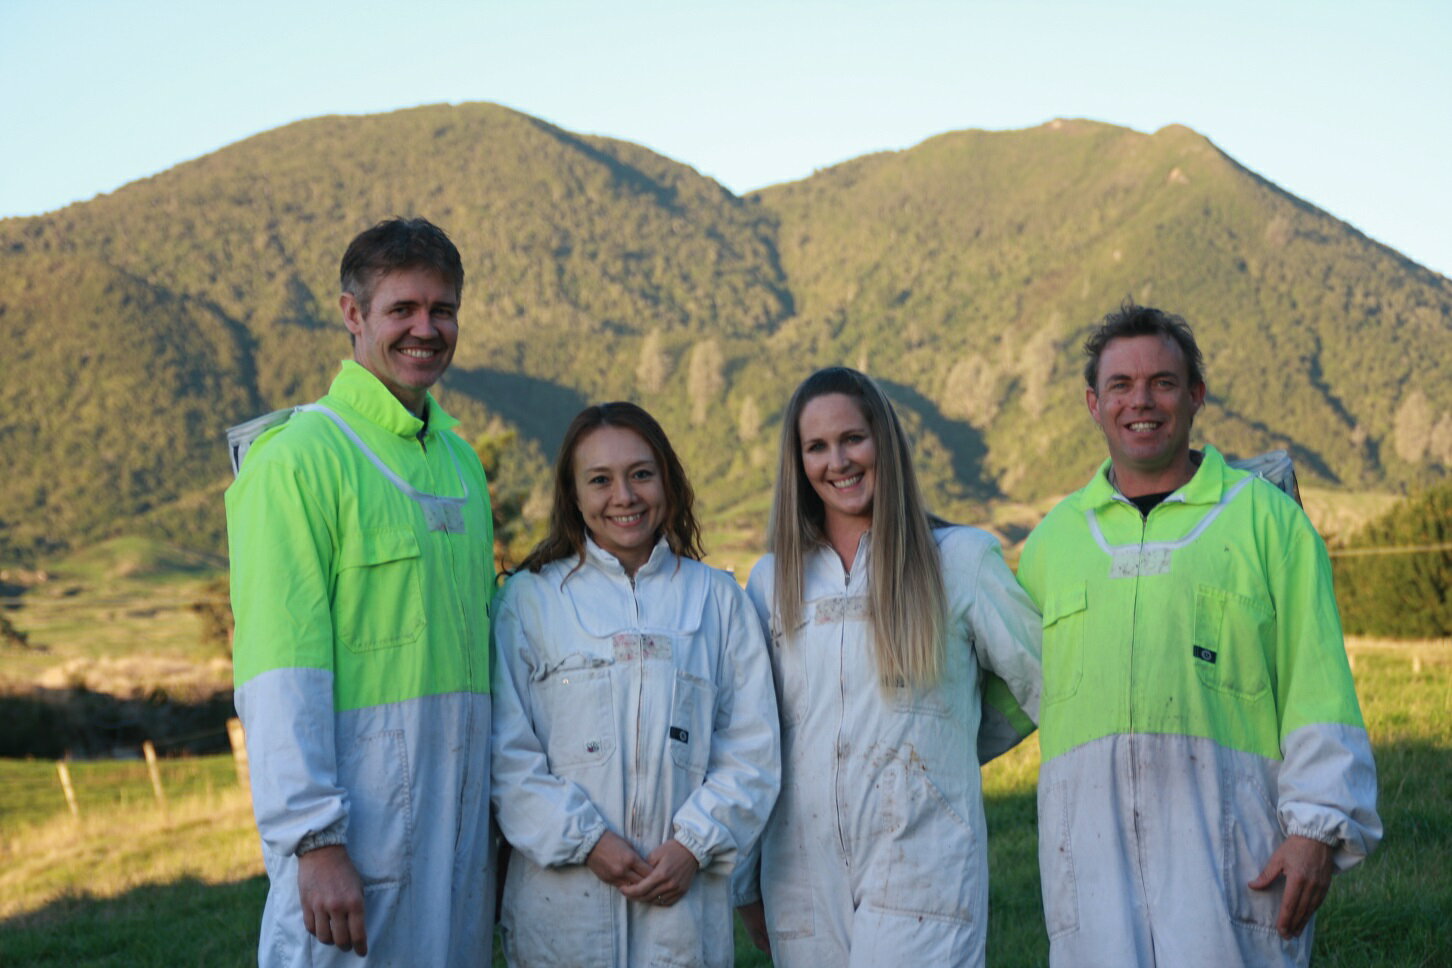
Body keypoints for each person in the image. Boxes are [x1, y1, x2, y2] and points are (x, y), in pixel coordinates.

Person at [1017, 303, 1382, 967]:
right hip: (1090, 875)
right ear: (1093, 405)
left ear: (1196, 396)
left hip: (1231, 868)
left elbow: (1318, 686)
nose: (1142, 401)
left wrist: (1317, 829)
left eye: (1162, 381)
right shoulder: (1051, 544)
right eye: (1121, 386)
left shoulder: (1268, 523)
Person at [227, 218, 496, 965]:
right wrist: (313, 842)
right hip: (354, 849)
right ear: (352, 314)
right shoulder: (299, 461)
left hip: (461, 843)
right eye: (402, 309)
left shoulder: (461, 462)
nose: (425, 329)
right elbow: (278, 672)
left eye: (442, 310)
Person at [738, 366, 1043, 967]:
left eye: (853, 438)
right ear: (797, 462)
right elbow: (754, 738)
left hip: (925, 864)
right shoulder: (771, 584)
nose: (838, 461)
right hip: (799, 873)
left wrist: (953, 740)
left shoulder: (960, 560)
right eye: (817, 447)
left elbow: (1047, 684)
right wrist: (745, 884)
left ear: (885, 440)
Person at [490, 402, 781, 967]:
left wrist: (693, 845)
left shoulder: (716, 601)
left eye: (641, 474)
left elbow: (751, 747)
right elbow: (506, 757)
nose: (623, 496)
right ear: (573, 495)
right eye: (600, 480)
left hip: (683, 912)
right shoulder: (529, 601)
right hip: (562, 914)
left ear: (667, 482)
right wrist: (586, 841)